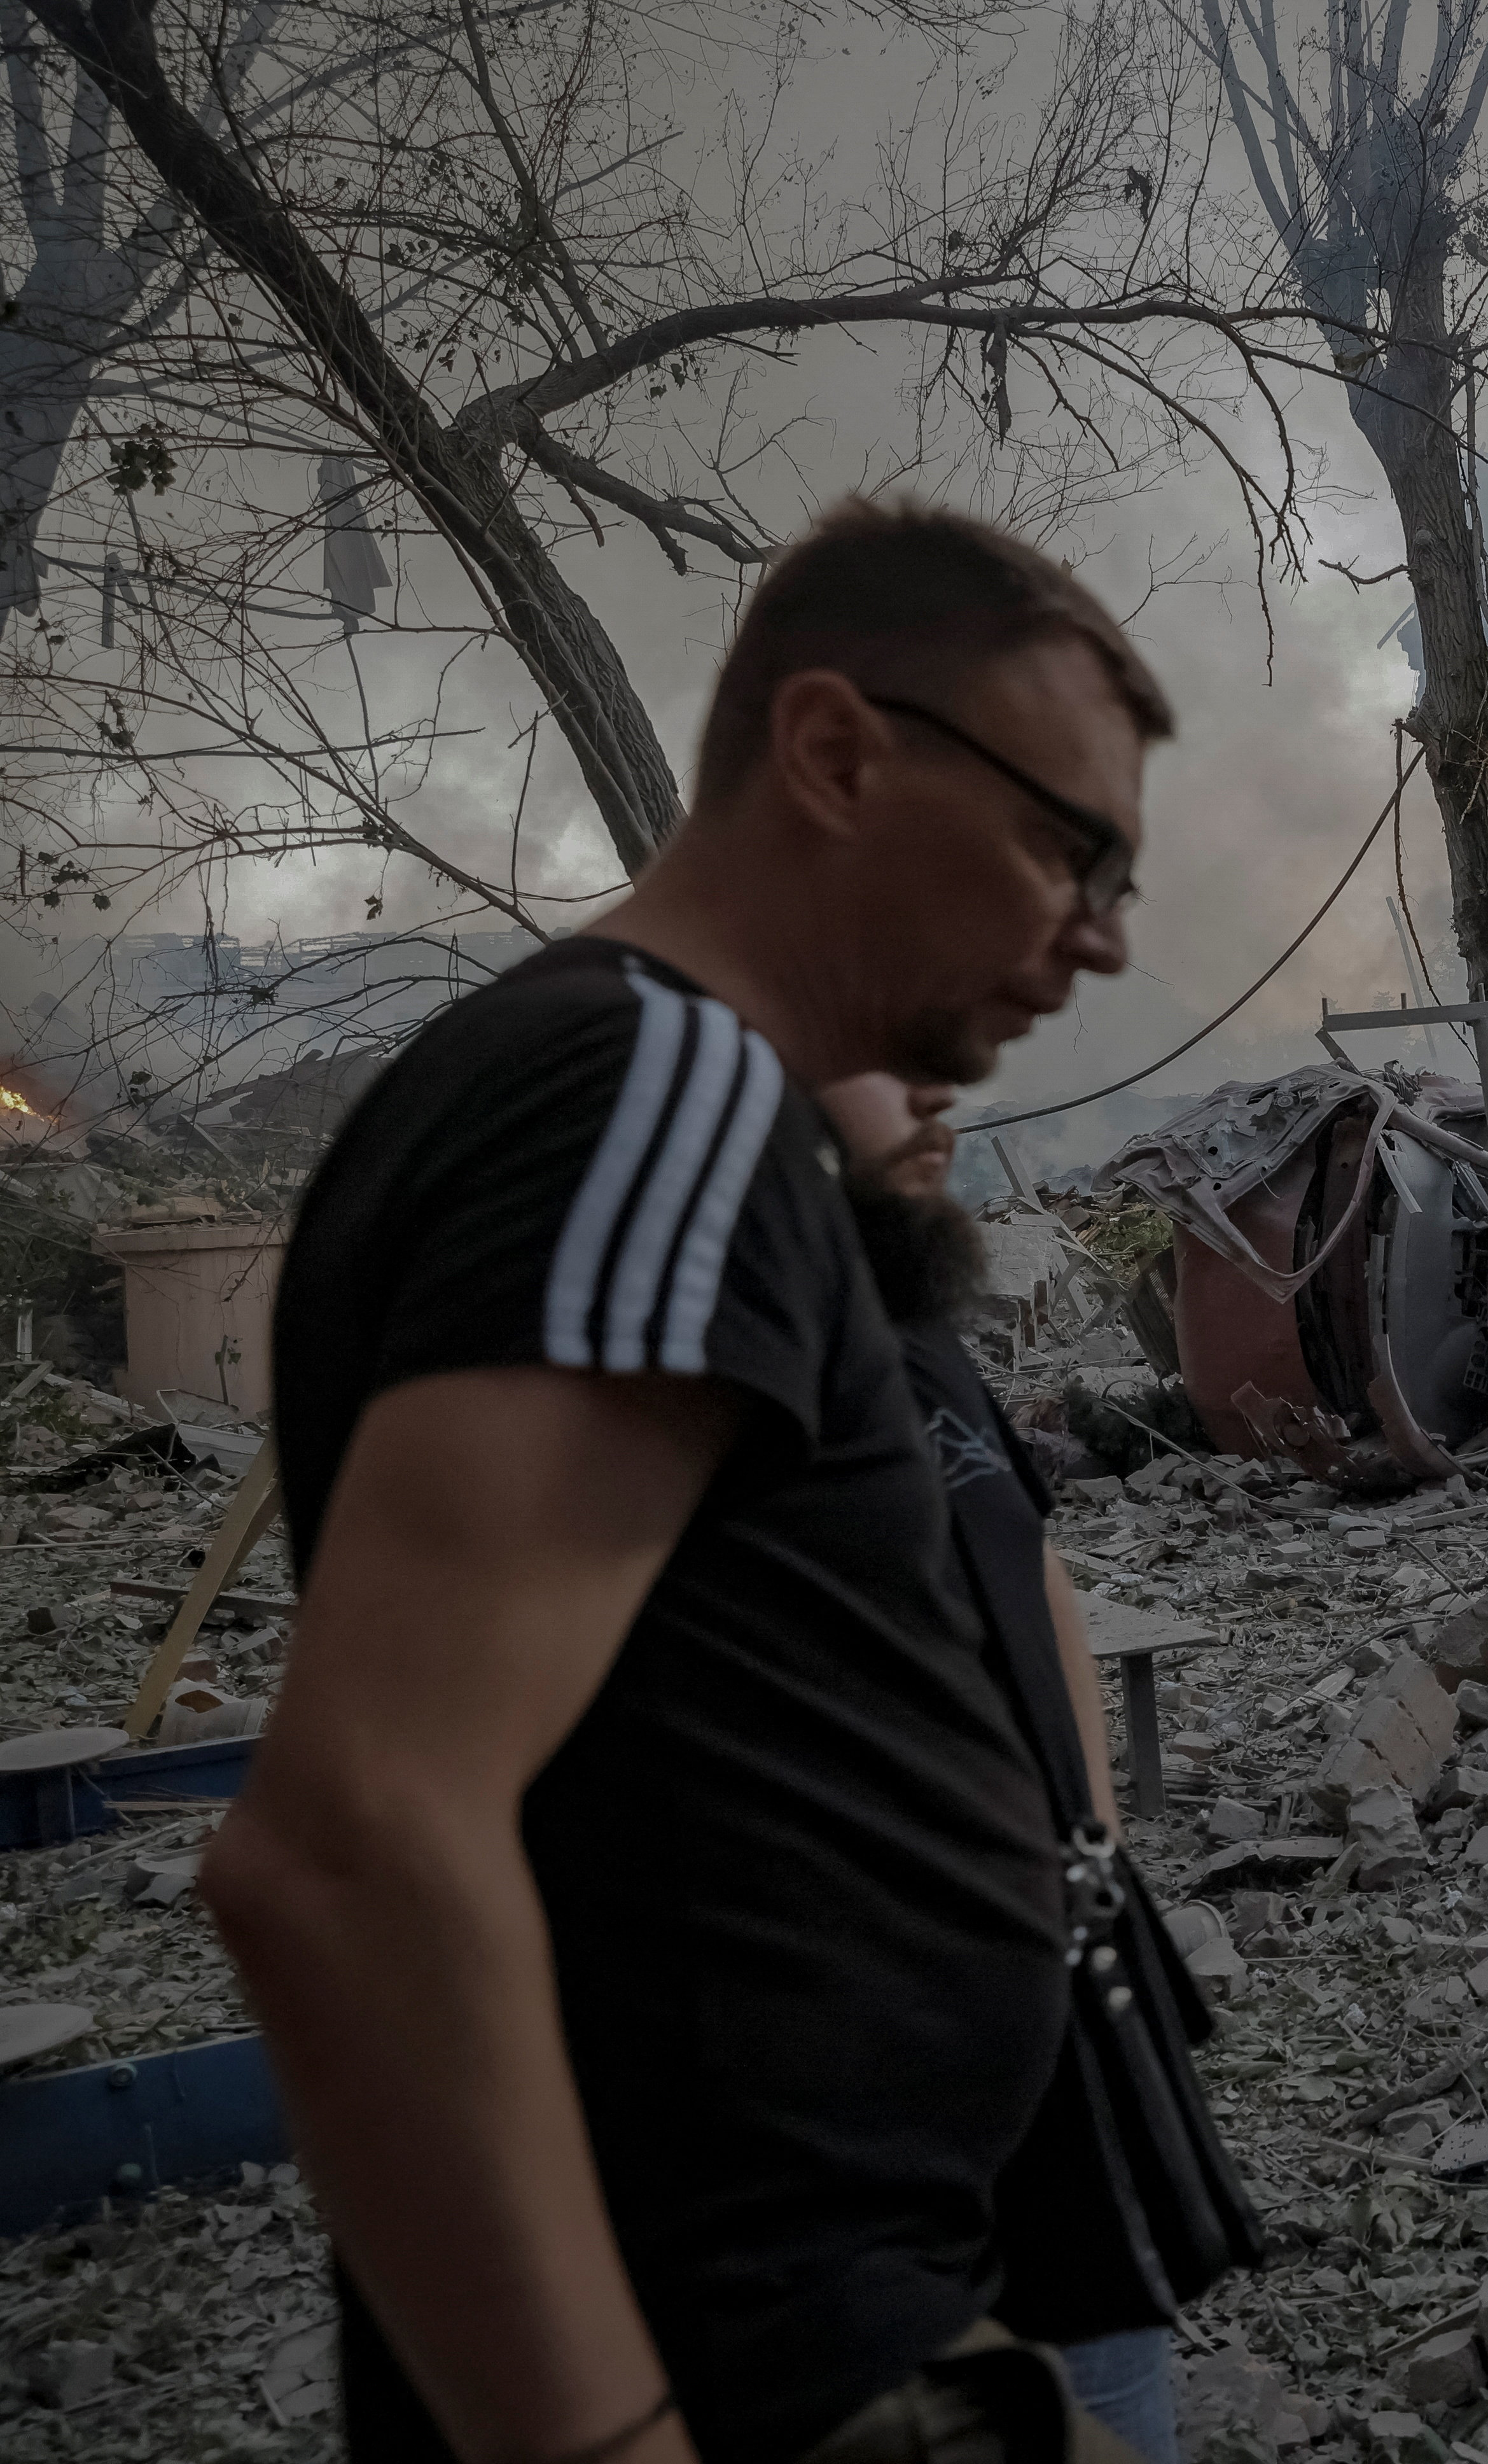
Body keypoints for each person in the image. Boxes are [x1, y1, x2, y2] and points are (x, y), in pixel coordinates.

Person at [211, 500, 1183, 2464]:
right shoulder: (647, 1092)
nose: (1098, 935)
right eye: (1063, 844)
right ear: (832, 753)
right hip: (768, 2377)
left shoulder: (653, 1111)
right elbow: (349, 1846)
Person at [814, 1070, 1247, 2464]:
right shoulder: (712, 1356)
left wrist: (1095, 1856)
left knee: (1112, 2382)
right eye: (884, 1044)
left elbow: (1032, 1563)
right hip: (879, 2057)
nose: (945, 1075)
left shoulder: (909, 1329)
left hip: (1052, 2032)